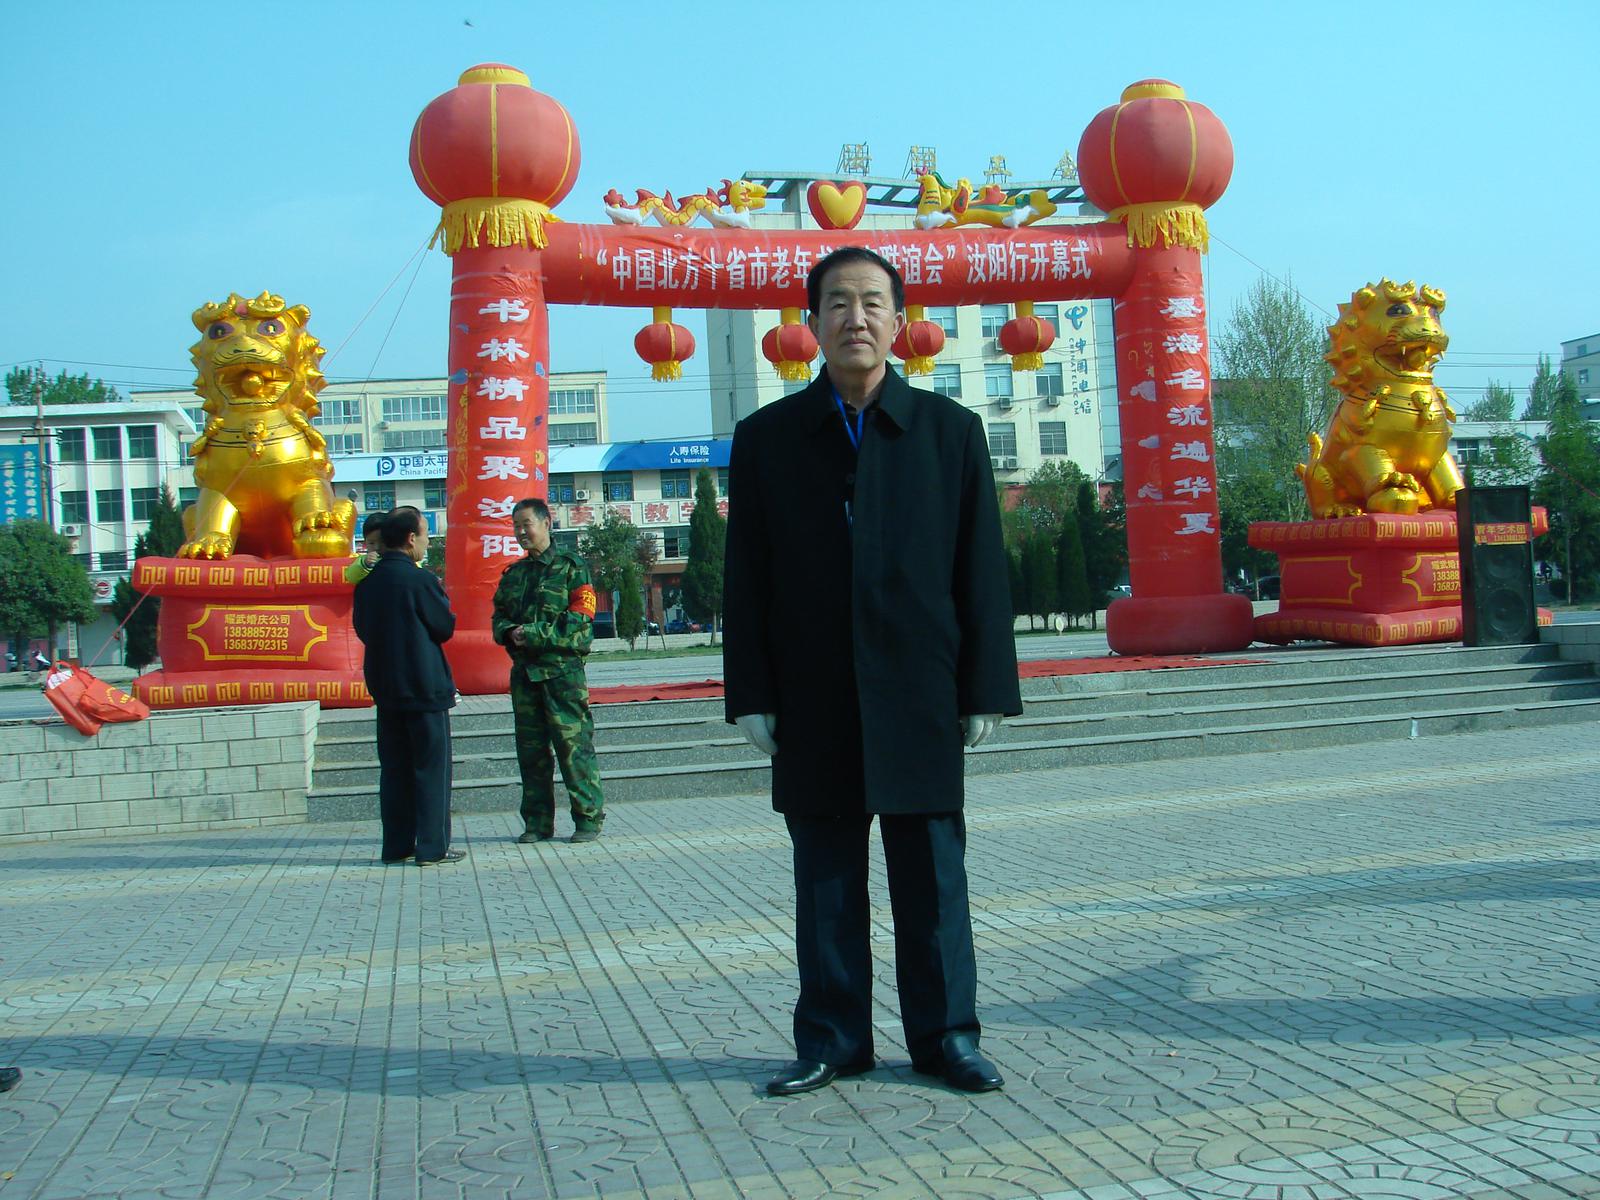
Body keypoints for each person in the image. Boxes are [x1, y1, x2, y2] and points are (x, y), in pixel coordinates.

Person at [723, 247, 1022, 1096]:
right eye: (837, 303)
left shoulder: (948, 432)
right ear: (811, 323)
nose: (855, 319)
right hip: (812, 694)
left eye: (872, 303)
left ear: (899, 321)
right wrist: (751, 693)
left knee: (933, 878)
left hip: (919, 689)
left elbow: (980, 570)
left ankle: (947, 1038)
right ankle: (832, 1039)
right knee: (825, 881)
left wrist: (984, 688)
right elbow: (745, 577)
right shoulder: (768, 439)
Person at [350, 506, 461, 866]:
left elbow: (362, 630)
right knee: (431, 770)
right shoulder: (420, 580)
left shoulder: (367, 583)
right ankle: (432, 847)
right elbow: (443, 627)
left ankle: (397, 846)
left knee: (395, 770)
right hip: (424, 687)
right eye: (425, 535)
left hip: (385, 687)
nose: (427, 542)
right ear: (411, 539)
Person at [491, 498, 605, 844]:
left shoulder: (572, 568)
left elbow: (580, 620)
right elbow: (499, 618)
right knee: (531, 753)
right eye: (516, 526)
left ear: (546, 523)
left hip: (562, 676)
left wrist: (533, 633)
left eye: (526, 524)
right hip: (525, 676)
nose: (521, 532)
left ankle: (588, 819)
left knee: (574, 748)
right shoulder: (514, 575)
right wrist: (509, 632)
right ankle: (537, 823)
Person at [342, 511, 386, 585]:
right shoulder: (363, 560)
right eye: (371, 543)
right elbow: (350, 577)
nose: (377, 547)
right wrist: (365, 564)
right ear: (365, 542)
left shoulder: (397, 557)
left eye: (382, 542)